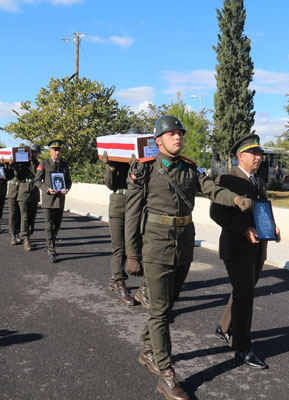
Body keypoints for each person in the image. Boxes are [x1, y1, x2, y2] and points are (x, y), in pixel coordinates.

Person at [125, 115, 255, 400]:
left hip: (184, 245)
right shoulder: (145, 169)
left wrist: (235, 200)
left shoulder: (190, 169)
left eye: (180, 133)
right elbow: (132, 212)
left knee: (168, 306)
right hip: (155, 247)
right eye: (171, 134)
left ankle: (148, 349)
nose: (178, 137)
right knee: (160, 312)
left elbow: (212, 190)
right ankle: (166, 375)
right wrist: (131, 254)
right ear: (158, 141)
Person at [210, 134, 281, 370]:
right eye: (254, 153)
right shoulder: (227, 179)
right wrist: (244, 230)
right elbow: (217, 213)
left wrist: (272, 226)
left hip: (258, 248)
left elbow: (261, 210)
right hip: (237, 248)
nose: (259, 158)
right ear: (240, 155)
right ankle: (242, 347)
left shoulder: (257, 180)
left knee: (244, 291)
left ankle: (225, 326)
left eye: (260, 154)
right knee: (245, 297)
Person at [103, 128, 142, 307]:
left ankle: (115, 277)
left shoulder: (143, 162)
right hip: (119, 203)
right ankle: (119, 284)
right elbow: (110, 185)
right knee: (118, 246)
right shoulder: (117, 160)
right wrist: (110, 167)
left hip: (137, 204)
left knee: (134, 244)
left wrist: (138, 167)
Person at [35, 140, 72, 262]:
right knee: (48, 225)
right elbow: (37, 181)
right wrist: (47, 189)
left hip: (60, 200)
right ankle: (51, 249)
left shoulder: (64, 164)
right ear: (50, 151)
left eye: (59, 150)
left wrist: (66, 189)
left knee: (57, 225)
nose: (57, 152)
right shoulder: (44, 163)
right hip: (48, 199)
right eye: (55, 150)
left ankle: (49, 243)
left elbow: (68, 181)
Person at [18, 144, 41, 250]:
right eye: (33, 152)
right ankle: (25, 238)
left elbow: (38, 174)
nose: (35, 154)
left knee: (32, 216)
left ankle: (29, 233)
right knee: (25, 216)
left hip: (34, 192)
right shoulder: (23, 163)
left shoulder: (40, 164)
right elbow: (17, 174)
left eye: (37, 152)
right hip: (24, 191)